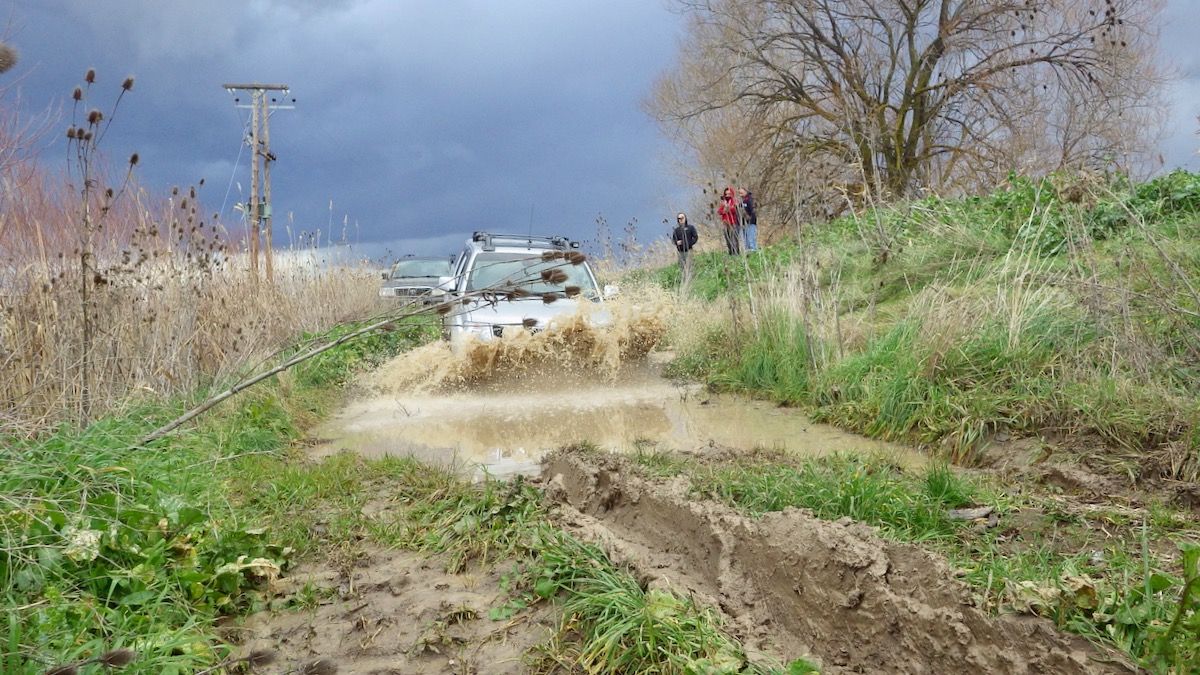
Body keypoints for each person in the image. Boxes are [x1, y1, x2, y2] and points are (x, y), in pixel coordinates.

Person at [671, 212, 699, 281]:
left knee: (690, 265)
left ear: (685, 218)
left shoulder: (690, 228)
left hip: (689, 250)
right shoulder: (676, 230)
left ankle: (692, 279)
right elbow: (673, 240)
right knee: (681, 266)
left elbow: (695, 237)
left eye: (682, 218)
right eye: (679, 218)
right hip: (680, 252)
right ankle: (683, 280)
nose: (681, 220)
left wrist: (690, 243)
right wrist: (676, 242)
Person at [717, 186, 741, 255]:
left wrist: (727, 208)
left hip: (733, 223)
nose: (727, 196)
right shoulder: (723, 202)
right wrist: (725, 210)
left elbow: (735, 210)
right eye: (726, 194)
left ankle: (736, 254)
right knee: (728, 240)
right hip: (725, 223)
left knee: (734, 240)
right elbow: (719, 211)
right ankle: (730, 253)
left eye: (729, 194)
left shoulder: (735, 201)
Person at [738, 187, 758, 252]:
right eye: (739, 193)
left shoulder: (750, 200)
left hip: (750, 223)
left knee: (751, 240)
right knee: (745, 241)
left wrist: (748, 217)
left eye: (742, 193)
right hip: (743, 224)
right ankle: (748, 253)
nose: (741, 195)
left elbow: (753, 210)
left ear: (746, 192)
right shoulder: (741, 201)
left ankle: (754, 253)